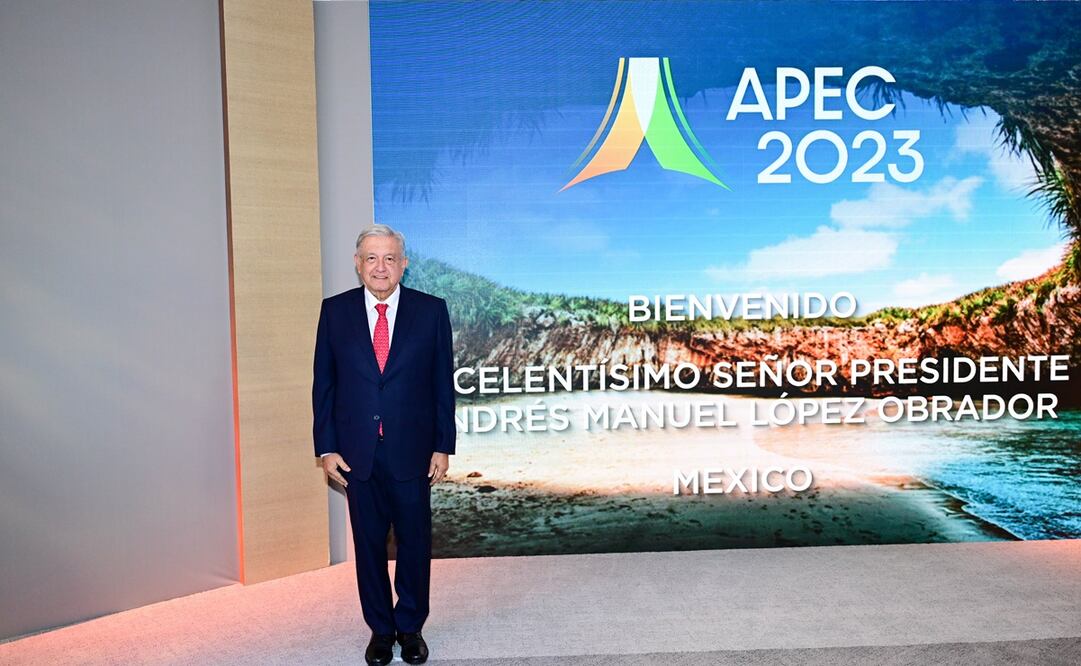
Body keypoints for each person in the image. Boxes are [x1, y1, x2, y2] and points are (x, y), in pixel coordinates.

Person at [312, 223, 455, 665]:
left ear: (404, 265)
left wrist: (442, 445)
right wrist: (326, 447)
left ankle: (410, 627)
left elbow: (441, 385)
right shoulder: (334, 312)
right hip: (357, 456)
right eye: (371, 258)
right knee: (368, 546)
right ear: (357, 265)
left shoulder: (431, 311)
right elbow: (325, 385)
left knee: (415, 545)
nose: (380, 267)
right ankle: (380, 629)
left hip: (412, 452)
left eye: (389, 258)